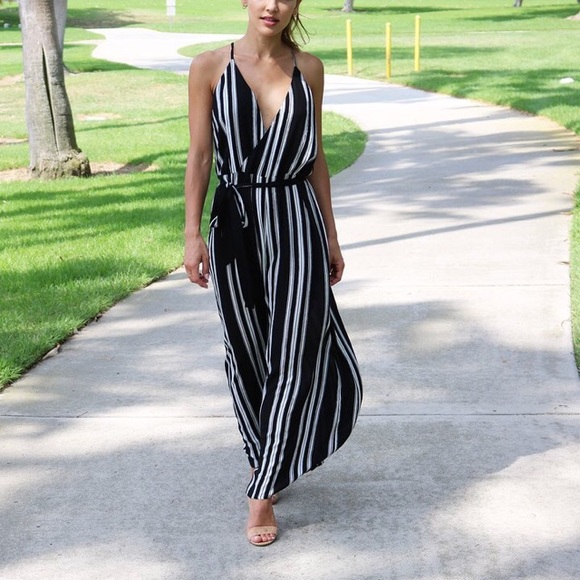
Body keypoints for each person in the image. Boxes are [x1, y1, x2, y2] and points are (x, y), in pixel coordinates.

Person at [183, 0, 362, 547]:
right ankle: (266, 454)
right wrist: (191, 234)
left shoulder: (310, 69)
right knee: (247, 348)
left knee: (297, 348)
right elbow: (200, 156)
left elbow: (316, 156)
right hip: (235, 224)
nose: (273, 6)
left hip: (297, 220)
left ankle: (261, 492)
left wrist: (331, 234)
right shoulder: (208, 67)